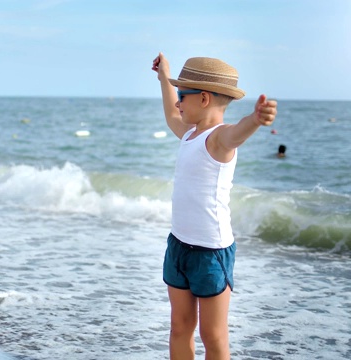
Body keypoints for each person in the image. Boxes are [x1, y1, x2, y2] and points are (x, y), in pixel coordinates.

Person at [151, 53, 277, 359]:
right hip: (178, 245)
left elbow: (237, 134)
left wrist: (255, 121)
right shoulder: (189, 134)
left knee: (213, 335)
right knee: (179, 327)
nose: (178, 102)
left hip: (211, 252)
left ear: (204, 98)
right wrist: (164, 77)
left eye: (183, 95)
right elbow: (171, 115)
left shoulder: (218, 139)